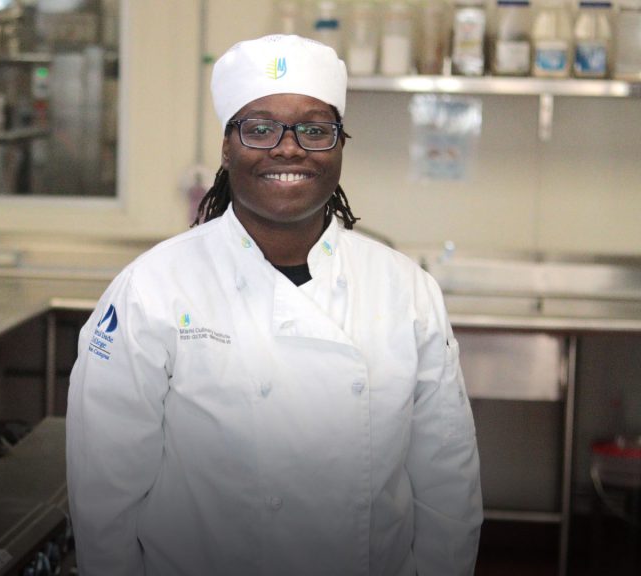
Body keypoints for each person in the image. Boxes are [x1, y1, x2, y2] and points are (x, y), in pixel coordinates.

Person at [66, 34, 482, 576]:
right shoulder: (153, 289)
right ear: (227, 145)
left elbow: (448, 485)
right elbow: (105, 495)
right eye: (259, 129)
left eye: (315, 129)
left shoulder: (405, 291)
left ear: (339, 145)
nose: (289, 148)